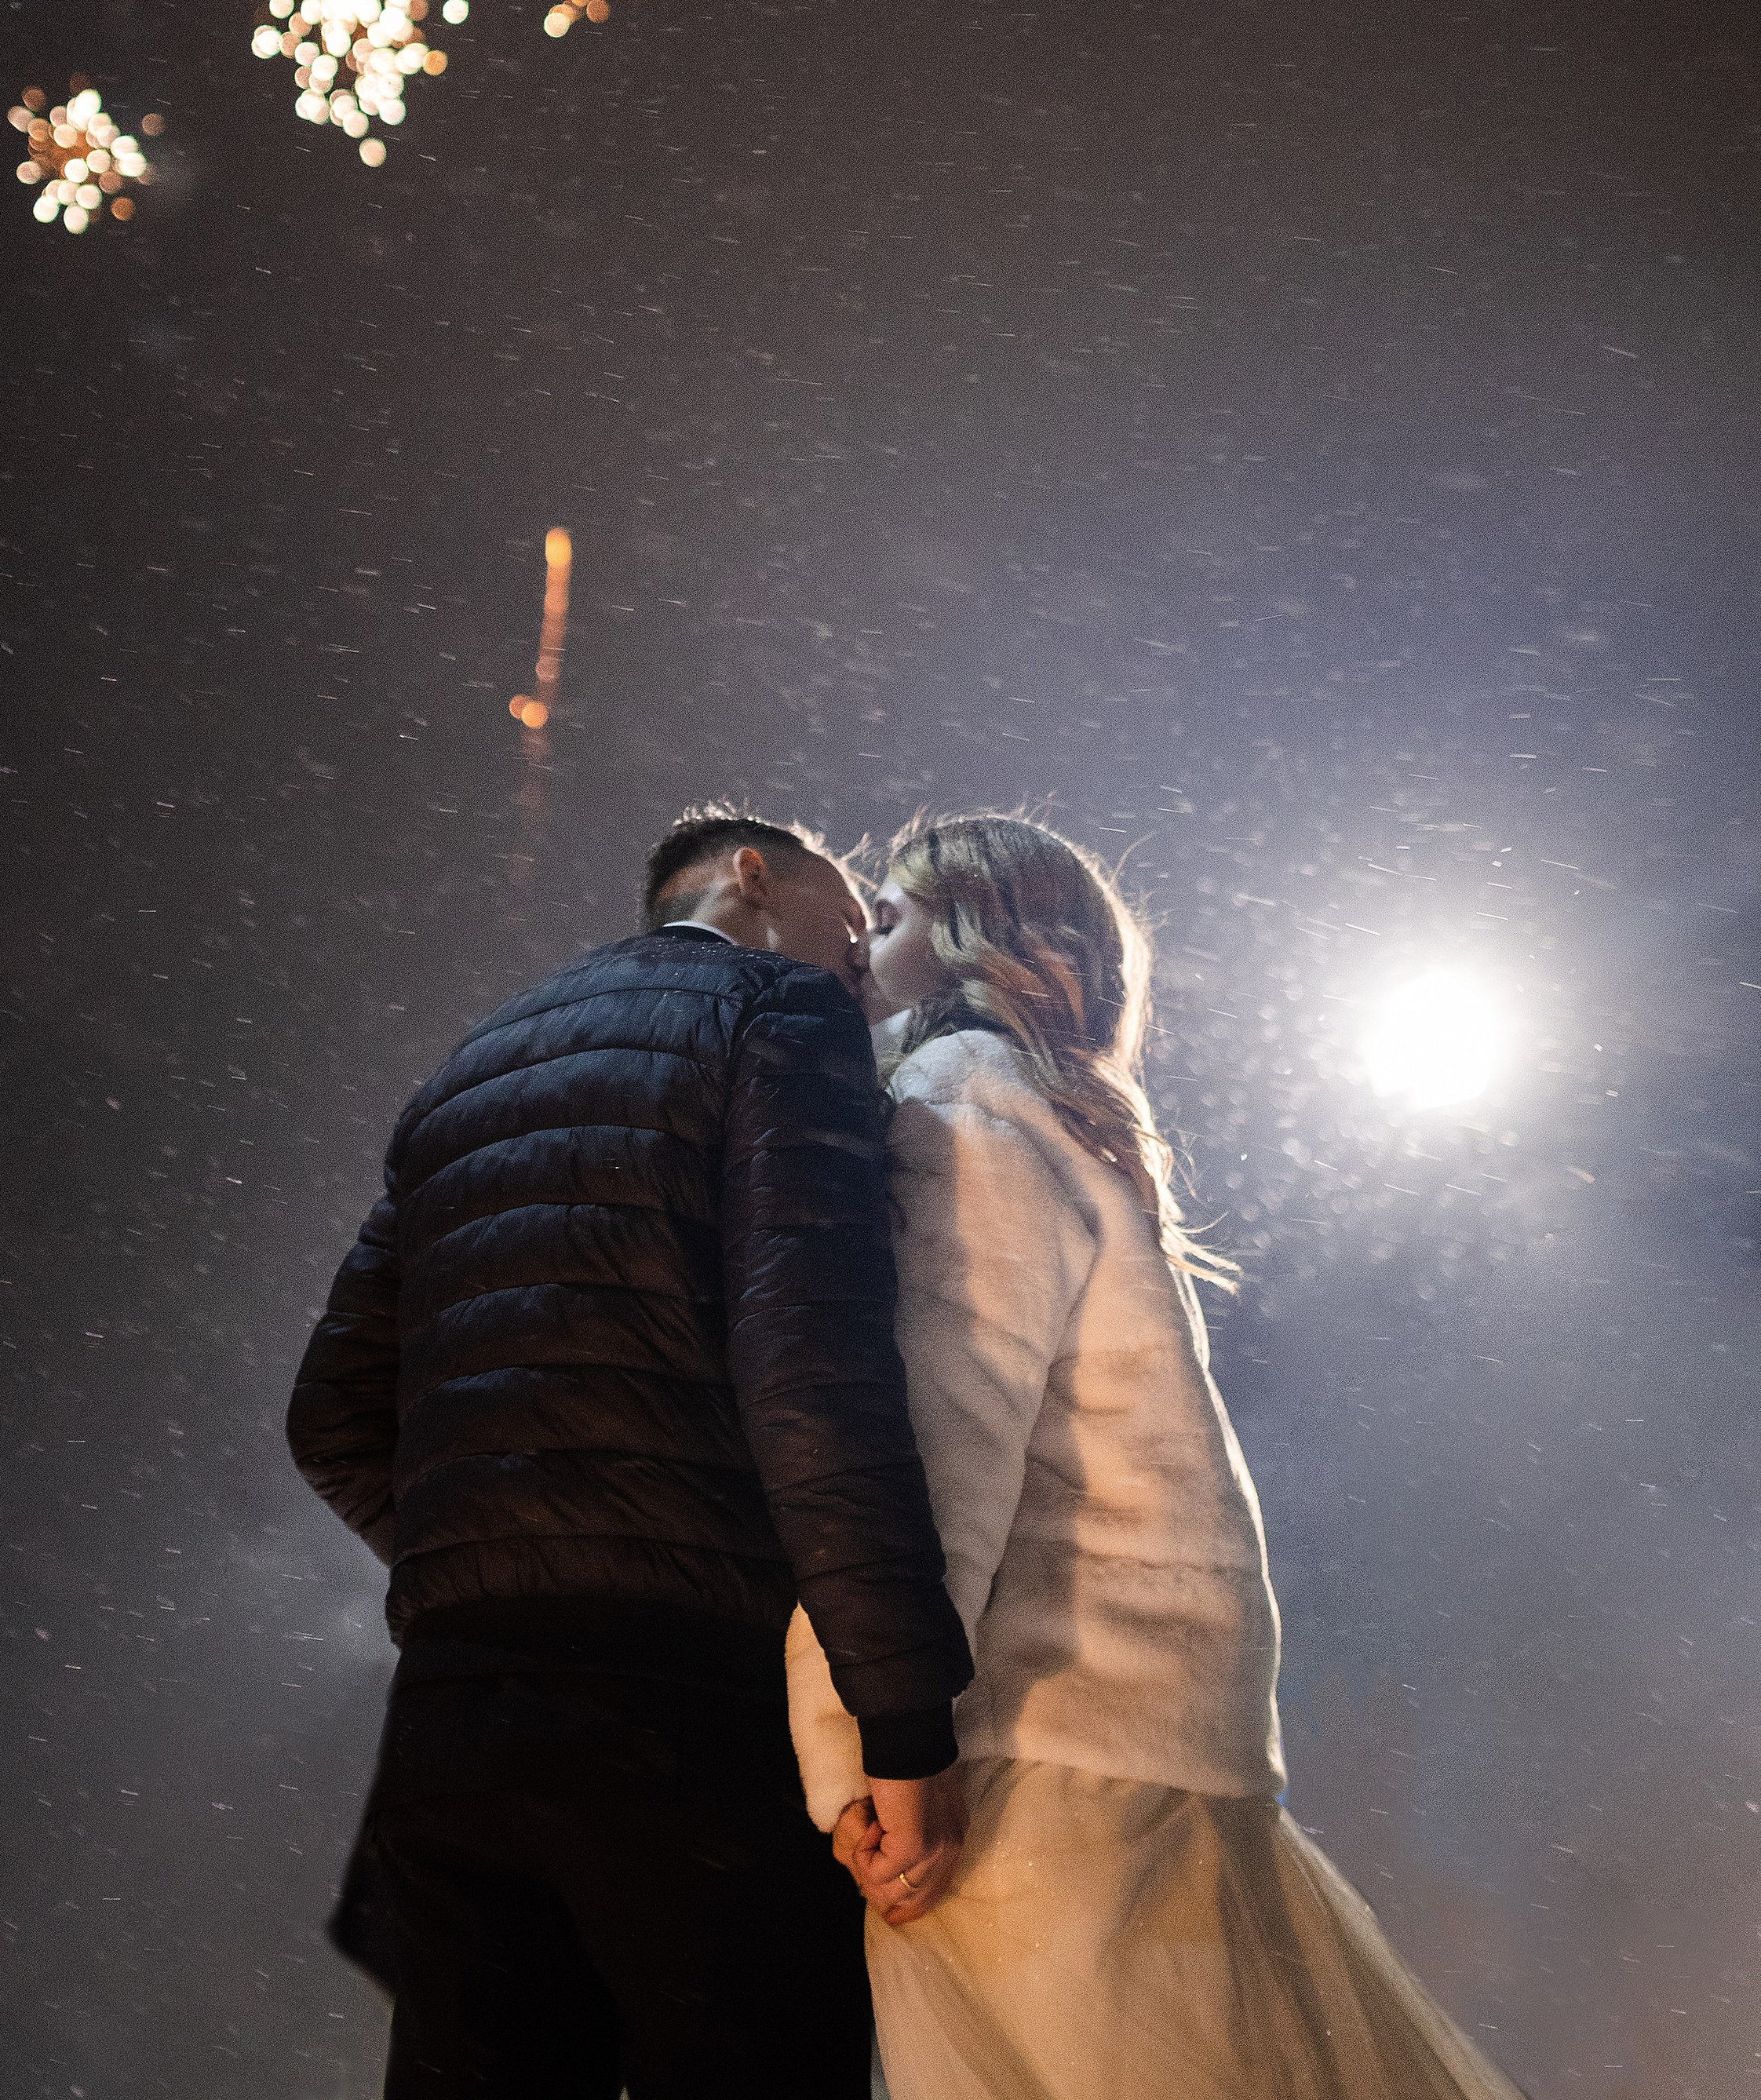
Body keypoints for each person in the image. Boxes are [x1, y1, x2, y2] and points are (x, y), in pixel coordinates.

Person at [789, 809, 1529, 2100]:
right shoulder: (1077, 1129)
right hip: (1143, 1748)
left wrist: (861, 1744)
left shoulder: (967, 1120)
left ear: (975, 943)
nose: (861, 948)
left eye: (893, 919)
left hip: (1037, 1764)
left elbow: (937, 1456)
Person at [286, 804, 972, 2100]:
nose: (867, 947)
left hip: (453, 1721)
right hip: (686, 1725)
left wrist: (502, 1564)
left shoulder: (470, 1066)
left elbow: (328, 1411)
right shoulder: (782, 1013)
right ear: (753, 876)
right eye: (854, 907)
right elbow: (814, 1380)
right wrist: (905, 1724)